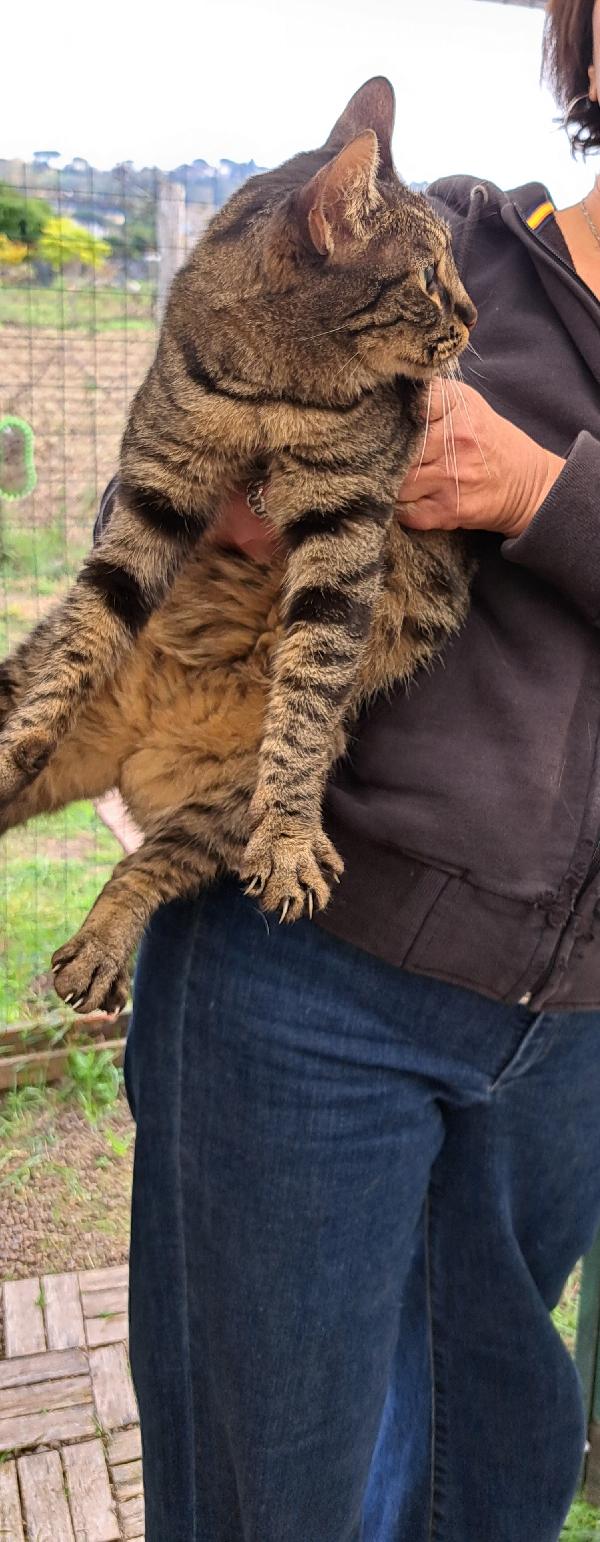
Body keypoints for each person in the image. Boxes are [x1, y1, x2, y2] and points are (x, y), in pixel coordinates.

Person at [111, 2, 600, 1537]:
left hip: (569, 1041)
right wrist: (264, 478)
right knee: (272, 1497)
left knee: (490, 1489)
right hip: (304, 973)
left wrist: (534, 488)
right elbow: (189, 489)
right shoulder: (460, 247)